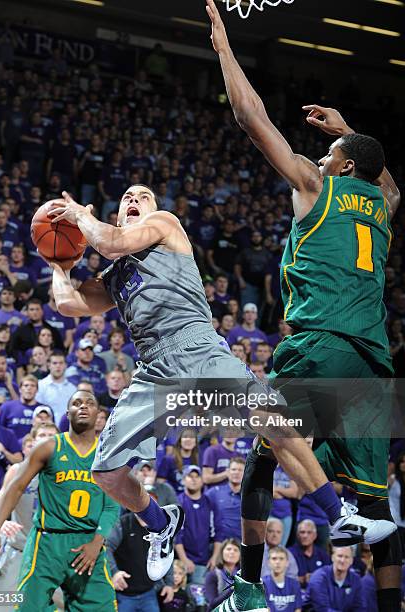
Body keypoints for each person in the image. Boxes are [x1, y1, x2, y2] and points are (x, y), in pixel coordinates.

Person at [46, 182, 391, 592]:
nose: (135, 200)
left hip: (196, 345)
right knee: (106, 471)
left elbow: (111, 240)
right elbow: (67, 304)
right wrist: (58, 261)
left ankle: (339, 515)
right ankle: (161, 522)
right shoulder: (114, 272)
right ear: (119, 212)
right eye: (127, 198)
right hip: (154, 366)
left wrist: (82, 216)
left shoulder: (163, 224)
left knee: (272, 419)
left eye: (143, 196)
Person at [206, 2, 400, 609]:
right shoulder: (384, 207)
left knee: (263, 456)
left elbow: (249, 115)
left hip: (319, 346)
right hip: (372, 366)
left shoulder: (318, 186)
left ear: (343, 166)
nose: (320, 158)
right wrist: (352, 132)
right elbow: (391, 183)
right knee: (379, 510)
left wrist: (223, 51)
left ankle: (247, 588)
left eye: (332, 153)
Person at [0, 390, 119, 611]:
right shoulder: (49, 447)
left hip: (87, 544)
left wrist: (97, 542)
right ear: (68, 413)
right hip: (47, 542)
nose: (83, 407)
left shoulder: (108, 455)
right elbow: (15, 487)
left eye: (89, 403)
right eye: (76, 403)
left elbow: (112, 505)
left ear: (99, 414)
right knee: (27, 607)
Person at [0, 424, 59, 612]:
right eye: (42, 435)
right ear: (33, 442)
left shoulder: (69, 474)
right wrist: (1, 524)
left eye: (51, 435)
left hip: (54, 554)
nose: (47, 438)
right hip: (20, 550)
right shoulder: (17, 470)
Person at [107, 509, 174, 612]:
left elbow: (165, 554)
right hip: (124, 594)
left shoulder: (159, 526)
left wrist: (169, 583)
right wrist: (114, 572)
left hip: (149, 592)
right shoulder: (123, 523)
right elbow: (107, 547)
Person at [175, 465, 222, 585]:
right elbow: (176, 534)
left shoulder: (209, 502)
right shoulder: (178, 502)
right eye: (190, 476)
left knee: (200, 598)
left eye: (197, 476)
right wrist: (184, 559)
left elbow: (217, 532)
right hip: (181, 560)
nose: (194, 479)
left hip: (204, 561)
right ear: (184, 480)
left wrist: (215, 557)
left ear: (202, 480)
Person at [307, 547, 365, 611]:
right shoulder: (319, 578)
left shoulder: (356, 579)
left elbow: (360, 607)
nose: (342, 560)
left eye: (346, 557)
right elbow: (323, 609)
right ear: (332, 557)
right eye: (340, 556)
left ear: (351, 561)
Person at [206, 456, 244, 541]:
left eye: (240, 470)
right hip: (217, 544)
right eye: (234, 469)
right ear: (227, 472)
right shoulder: (214, 493)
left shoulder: (251, 496)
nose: (236, 473)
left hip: (241, 545)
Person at [36, 350, 77, 424]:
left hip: (67, 431)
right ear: (49, 365)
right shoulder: (40, 386)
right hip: (46, 430)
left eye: (61, 363)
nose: (58, 366)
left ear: (65, 365)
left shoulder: (73, 389)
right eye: (55, 363)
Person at [288, 519, 331, 589]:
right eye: (302, 532)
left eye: (309, 532)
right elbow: (284, 579)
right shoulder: (289, 554)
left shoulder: (323, 555)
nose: (305, 536)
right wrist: (303, 579)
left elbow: (330, 577)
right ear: (297, 535)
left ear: (315, 535)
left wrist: (315, 578)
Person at [0, 375, 41, 441]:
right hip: (11, 449)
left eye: (32, 386)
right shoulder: (7, 407)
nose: (29, 388)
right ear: (20, 389)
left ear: (37, 390)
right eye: (26, 385)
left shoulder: (43, 410)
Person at [204, 539, 241, 611]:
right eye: (228, 549)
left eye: (235, 550)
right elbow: (212, 604)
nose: (232, 552)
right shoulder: (212, 575)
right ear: (222, 552)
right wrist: (231, 589)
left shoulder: (243, 576)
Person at [262, 547, 302, 612]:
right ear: (268, 562)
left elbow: (298, 609)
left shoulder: (295, 584)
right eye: (274, 559)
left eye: (281, 559)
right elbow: (265, 609)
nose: (278, 562)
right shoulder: (263, 584)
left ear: (287, 563)